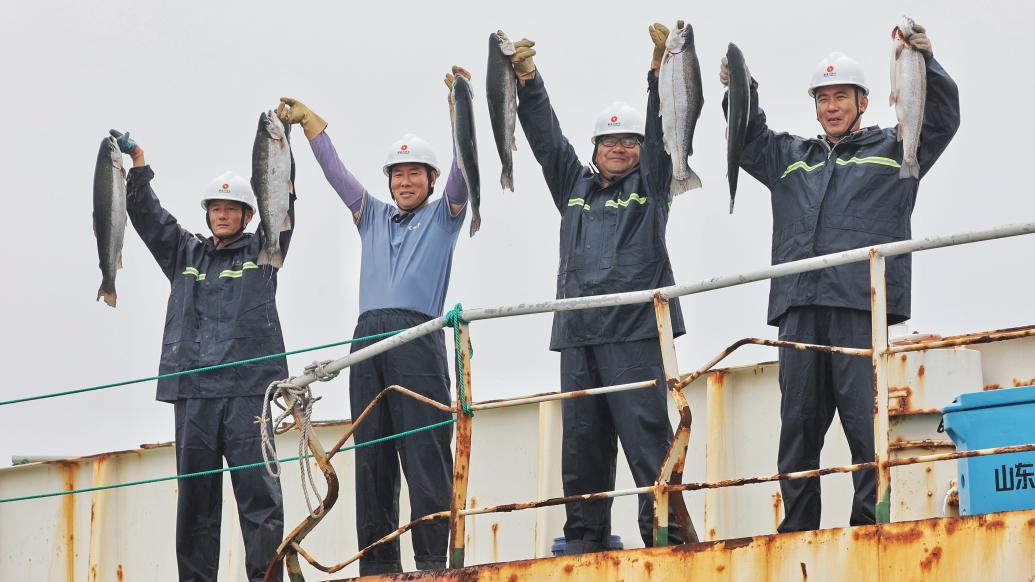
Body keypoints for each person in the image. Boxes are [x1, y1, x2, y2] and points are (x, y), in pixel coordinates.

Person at [719, 22, 959, 531]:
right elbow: (747, 138)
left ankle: (869, 525)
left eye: (842, 96)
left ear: (864, 101)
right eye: (823, 98)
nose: (831, 106)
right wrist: (740, 88)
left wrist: (925, 62)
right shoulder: (791, 158)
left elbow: (939, 119)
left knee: (864, 424)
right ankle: (798, 531)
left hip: (859, 307)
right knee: (798, 427)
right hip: (799, 311)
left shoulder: (896, 150)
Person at [504, 24, 691, 554]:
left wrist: (658, 74)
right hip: (580, 338)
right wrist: (527, 79)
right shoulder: (573, 187)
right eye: (609, 140)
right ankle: (583, 540)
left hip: (635, 337)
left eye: (628, 141)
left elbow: (662, 135)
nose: (619, 148)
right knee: (581, 449)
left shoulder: (652, 186)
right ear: (596, 148)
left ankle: (667, 538)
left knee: (649, 444)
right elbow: (545, 140)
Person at [276, 66, 471, 575]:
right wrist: (313, 127)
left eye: (415, 174)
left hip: (417, 337)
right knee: (373, 458)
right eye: (398, 174)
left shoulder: (445, 214)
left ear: (430, 180)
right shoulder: (372, 215)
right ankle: (378, 567)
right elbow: (338, 175)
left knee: (425, 453)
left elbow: (464, 167)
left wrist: (460, 112)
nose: (406, 182)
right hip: (366, 341)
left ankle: (432, 564)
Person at [111, 129, 292, 581]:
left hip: (249, 393)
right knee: (195, 505)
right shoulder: (184, 252)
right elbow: (148, 217)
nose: (223, 215)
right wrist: (138, 163)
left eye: (232, 208)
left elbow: (284, 206)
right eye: (217, 207)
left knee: (259, 501)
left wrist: (282, 150)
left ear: (250, 216)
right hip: (194, 396)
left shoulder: (265, 250)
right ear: (208, 213)